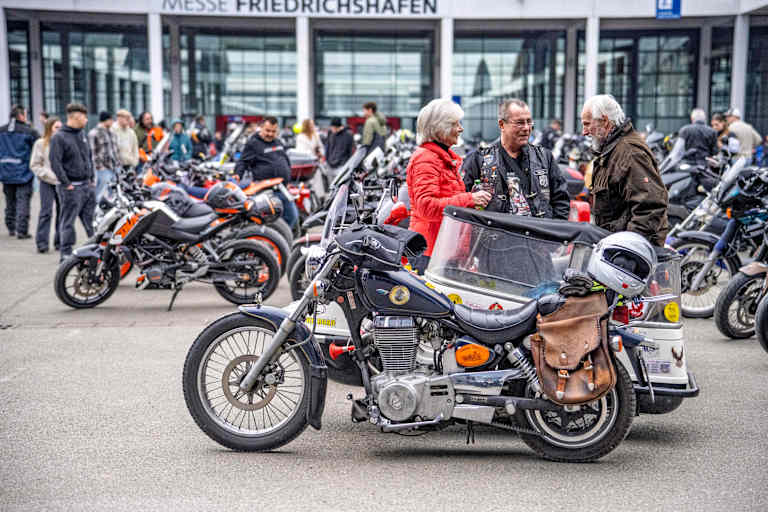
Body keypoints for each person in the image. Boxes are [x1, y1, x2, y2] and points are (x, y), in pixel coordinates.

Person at [406, 98, 491, 273]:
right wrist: (469, 198)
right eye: (455, 124)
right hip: (429, 252)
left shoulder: (441, 157)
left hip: (440, 249)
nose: (461, 129)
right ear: (439, 127)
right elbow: (426, 207)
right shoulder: (426, 158)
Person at [581, 94, 668, 246]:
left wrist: (629, 251)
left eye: (587, 124)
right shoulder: (612, 150)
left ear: (605, 121)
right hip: (615, 246)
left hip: (629, 252)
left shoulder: (629, 153)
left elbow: (650, 206)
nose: (584, 132)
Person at [461, 99, 570, 220]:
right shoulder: (479, 159)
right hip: (497, 235)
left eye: (529, 122)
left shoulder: (545, 157)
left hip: (540, 235)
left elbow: (561, 200)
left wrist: (555, 232)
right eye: (519, 123)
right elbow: (463, 200)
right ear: (502, 124)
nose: (526, 128)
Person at [235, 116, 299, 228]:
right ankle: (270, 241)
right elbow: (243, 162)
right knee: (269, 221)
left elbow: (285, 160)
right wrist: (237, 175)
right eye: (267, 130)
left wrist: (288, 180)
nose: (270, 134)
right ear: (261, 128)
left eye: (273, 131)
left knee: (292, 217)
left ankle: (280, 240)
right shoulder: (253, 143)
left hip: (281, 188)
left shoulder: (278, 142)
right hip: (265, 190)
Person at [50, 103, 95, 261]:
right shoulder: (59, 137)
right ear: (75, 117)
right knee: (67, 222)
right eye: (84, 117)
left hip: (86, 186)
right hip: (71, 188)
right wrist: (66, 183)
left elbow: (88, 157)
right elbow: (55, 162)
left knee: (92, 222)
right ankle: (66, 254)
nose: (86, 120)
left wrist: (91, 179)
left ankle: (96, 250)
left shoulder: (82, 134)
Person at [0, 105, 39, 239]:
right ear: (21, 116)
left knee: (9, 201)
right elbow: (39, 148)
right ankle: (21, 231)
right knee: (23, 201)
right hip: (24, 174)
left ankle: (11, 227)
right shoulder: (29, 132)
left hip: (5, 172)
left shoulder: (2, 130)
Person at [30, 116, 62, 253]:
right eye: (56, 127)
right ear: (49, 128)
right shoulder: (40, 143)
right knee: (46, 212)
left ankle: (60, 242)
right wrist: (47, 175)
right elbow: (35, 165)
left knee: (63, 213)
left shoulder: (63, 142)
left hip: (62, 183)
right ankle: (42, 243)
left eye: (61, 127)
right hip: (47, 182)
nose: (59, 130)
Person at [88, 111, 120, 201]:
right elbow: (92, 152)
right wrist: (99, 167)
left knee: (114, 194)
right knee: (99, 193)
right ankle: (95, 212)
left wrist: (118, 164)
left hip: (114, 168)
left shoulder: (112, 133)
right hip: (102, 169)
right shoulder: (94, 133)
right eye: (111, 120)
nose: (113, 122)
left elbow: (115, 150)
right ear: (106, 120)